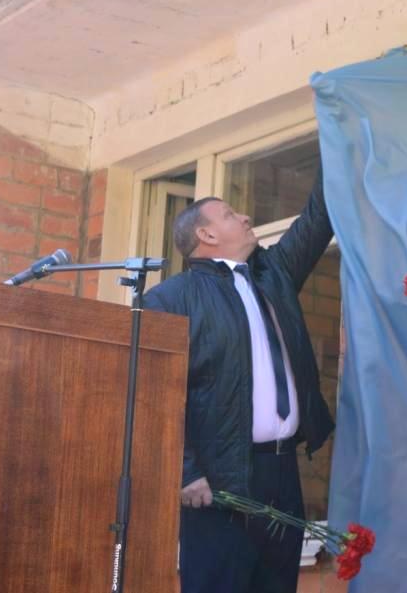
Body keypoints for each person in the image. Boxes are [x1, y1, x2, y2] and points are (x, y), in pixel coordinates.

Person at [144, 175, 335, 593]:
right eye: (230, 214)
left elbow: (318, 218)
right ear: (206, 234)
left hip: (282, 472)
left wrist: (339, 141)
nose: (246, 217)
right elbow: (153, 397)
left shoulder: (274, 274)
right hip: (217, 481)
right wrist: (186, 472)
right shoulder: (171, 299)